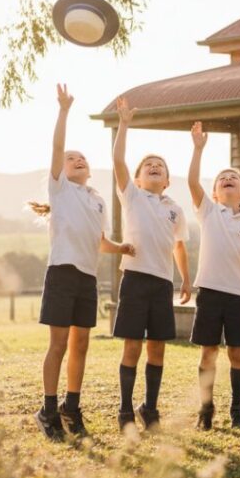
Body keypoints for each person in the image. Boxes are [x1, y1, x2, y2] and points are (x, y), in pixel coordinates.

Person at [32, 84, 132, 440]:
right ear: (61, 168)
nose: (77, 160)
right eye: (72, 158)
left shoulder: (97, 199)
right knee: (57, 345)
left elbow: (99, 242)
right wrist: (64, 110)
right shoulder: (60, 189)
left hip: (87, 279)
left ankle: (70, 408)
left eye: (82, 158)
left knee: (82, 345)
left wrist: (122, 249)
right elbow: (57, 147)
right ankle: (47, 410)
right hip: (61, 274)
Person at [112, 97, 191, 432]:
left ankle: (150, 407)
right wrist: (125, 124)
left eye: (161, 166)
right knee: (133, 345)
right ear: (139, 179)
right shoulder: (132, 195)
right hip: (134, 279)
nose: (155, 167)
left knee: (157, 346)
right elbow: (118, 160)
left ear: (168, 180)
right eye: (149, 166)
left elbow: (179, 246)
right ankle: (125, 408)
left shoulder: (175, 208)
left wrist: (186, 280)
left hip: (162, 284)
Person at [188, 121, 240, 430]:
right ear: (215, 192)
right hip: (209, 292)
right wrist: (198, 149)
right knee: (208, 351)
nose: (227, 180)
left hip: (238, 294)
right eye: (222, 178)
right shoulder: (208, 212)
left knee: (237, 352)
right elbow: (193, 182)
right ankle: (205, 409)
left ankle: (237, 410)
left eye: (233, 179)